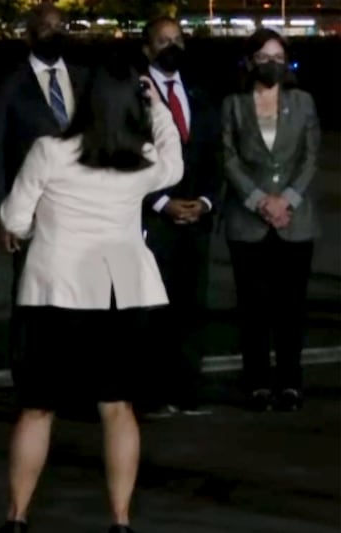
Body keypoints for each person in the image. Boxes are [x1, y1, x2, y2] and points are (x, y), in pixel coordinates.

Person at [0, 63, 184, 533]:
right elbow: (174, 163)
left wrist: (43, 228)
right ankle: (120, 520)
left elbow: (14, 219)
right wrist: (157, 107)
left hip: (56, 294)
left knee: (38, 408)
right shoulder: (138, 158)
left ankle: (17, 517)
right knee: (118, 409)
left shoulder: (50, 152)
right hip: (122, 295)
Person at [222, 29, 320, 412]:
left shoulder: (304, 102)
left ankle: (291, 383)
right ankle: (258, 383)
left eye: (279, 57)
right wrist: (260, 200)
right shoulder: (233, 104)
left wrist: (287, 201)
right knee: (253, 308)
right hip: (248, 221)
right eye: (264, 56)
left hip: (295, 221)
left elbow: (310, 157)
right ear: (250, 61)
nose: (272, 64)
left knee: (291, 308)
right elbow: (228, 157)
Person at [0, 3, 86, 362]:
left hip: (82, 208)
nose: (54, 32)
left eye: (60, 25)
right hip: (31, 211)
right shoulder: (10, 85)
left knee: (79, 297)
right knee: (30, 299)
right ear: (29, 34)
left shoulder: (82, 78)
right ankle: (29, 379)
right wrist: (2, 212)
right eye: (45, 27)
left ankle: (72, 376)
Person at [140, 16, 221, 417]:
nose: (171, 46)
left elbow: (212, 154)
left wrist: (205, 201)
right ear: (147, 49)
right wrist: (161, 202)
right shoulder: (134, 93)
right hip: (154, 217)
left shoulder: (199, 93)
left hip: (197, 218)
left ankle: (187, 391)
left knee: (192, 306)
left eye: (177, 39)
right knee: (155, 310)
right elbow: (128, 156)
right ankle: (153, 394)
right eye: (162, 40)